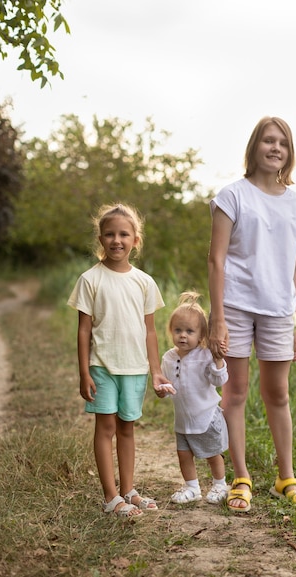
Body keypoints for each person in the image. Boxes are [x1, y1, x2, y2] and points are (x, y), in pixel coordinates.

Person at [208, 116, 296, 513]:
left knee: (278, 394)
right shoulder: (232, 196)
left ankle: (285, 478)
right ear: (255, 147)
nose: (275, 148)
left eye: (282, 143)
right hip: (235, 304)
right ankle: (241, 477)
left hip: (279, 309)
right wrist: (217, 318)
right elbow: (216, 260)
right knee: (234, 393)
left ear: (289, 152)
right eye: (268, 141)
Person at [68, 203, 172, 519]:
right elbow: (83, 330)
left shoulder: (144, 282)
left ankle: (128, 490)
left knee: (127, 428)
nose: (117, 240)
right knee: (106, 427)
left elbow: (150, 332)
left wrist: (156, 372)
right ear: (100, 238)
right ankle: (111, 497)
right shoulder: (90, 279)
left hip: (135, 368)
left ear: (135, 240)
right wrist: (84, 372)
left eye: (124, 234)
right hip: (102, 366)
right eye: (110, 234)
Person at [157, 291, 230, 505]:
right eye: (178, 330)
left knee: (212, 454)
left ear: (201, 336)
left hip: (206, 416)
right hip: (182, 420)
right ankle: (192, 487)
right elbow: (166, 383)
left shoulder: (206, 355)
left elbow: (219, 381)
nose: (183, 335)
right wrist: (161, 389)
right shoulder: (168, 358)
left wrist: (218, 362)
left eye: (190, 331)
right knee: (183, 454)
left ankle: (220, 484)